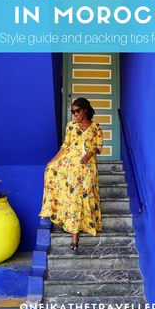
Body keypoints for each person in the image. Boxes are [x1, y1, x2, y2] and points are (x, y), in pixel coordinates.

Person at [39, 97, 103, 250]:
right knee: (74, 196)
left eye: (77, 111)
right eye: (72, 112)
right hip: (70, 165)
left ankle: (86, 225)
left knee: (85, 194)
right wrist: (52, 161)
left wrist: (89, 154)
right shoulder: (70, 126)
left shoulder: (96, 127)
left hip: (87, 166)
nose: (75, 114)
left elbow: (99, 147)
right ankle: (75, 236)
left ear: (85, 110)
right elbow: (65, 146)